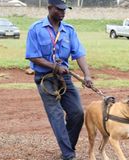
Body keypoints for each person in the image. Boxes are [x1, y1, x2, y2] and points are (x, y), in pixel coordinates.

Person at [25, 0, 93, 159]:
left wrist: (87, 75)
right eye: (59, 10)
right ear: (50, 8)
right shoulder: (36, 29)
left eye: (65, 10)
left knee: (77, 113)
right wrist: (54, 66)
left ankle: (67, 147)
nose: (63, 13)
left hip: (64, 77)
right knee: (56, 116)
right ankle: (69, 154)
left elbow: (79, 53)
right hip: (45, 78)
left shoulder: (69, 30)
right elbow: (33, 56)